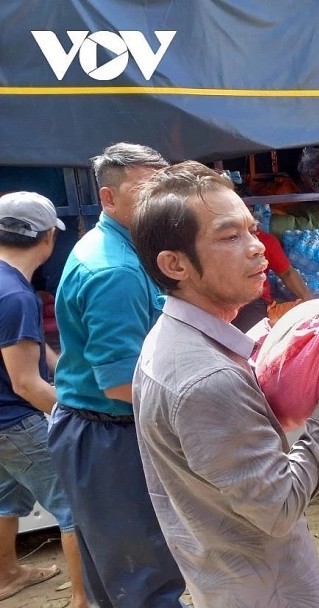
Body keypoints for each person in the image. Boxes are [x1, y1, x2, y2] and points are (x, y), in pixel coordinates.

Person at [130, 161, 319, 607]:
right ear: (175, 264)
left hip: (226, 576)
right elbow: (280, 507)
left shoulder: (170, 338)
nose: (258, 246)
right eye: (229, 236)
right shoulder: (208, 379)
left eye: (251, 229)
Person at [48, 143, 186, 606]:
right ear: (108, 198)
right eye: (147, 190)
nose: (161, 200)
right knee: (145, 577)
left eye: (165, 187)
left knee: (120, 576)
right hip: (110, 434)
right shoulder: (116, 270)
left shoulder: (129, 250)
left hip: (99, 429)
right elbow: (121, 382)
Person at [0, 193, 87, 607]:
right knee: (75, 506)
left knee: (6, 498)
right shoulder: (14, 296)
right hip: (15, 421)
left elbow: (31, 351)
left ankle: (7, 574)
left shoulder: (10, 287)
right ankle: (84, 599)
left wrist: (66, 370)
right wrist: (77, 416)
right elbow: (26, 384)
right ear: (49, 236)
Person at [231, 225, 313, 332]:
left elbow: (287, 273)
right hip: (222, 298)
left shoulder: (266, 241)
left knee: (253, 337)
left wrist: (310, 302)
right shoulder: (216, 244)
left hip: (252, 301)